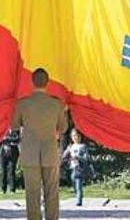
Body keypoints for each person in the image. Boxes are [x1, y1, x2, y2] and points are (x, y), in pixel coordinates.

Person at [12, 68, 68, 220]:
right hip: (50, 151)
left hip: (29, 153)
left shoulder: (22, 104)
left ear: (32, 82)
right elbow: (63, 128)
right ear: (47, 82)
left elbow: (14, 125)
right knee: (52, 191)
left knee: (32, 193)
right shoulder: (56, 104)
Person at [61, 129, 90, 207]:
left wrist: (78, 157)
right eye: (73, 136)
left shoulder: (83, 146)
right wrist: (67, 152)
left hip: (80, 168)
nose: (75, 138)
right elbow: (64, 156)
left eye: (77, 136)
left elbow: (86, 158)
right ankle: (77, 194)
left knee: (78, 183)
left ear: (80, 137)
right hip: (73, 167)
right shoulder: (71, 146)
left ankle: (79, 200)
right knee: (74, 181)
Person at [1, 128, 20, 193]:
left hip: (13, 152)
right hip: (4, 151)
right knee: (3, 171)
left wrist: (7, 139)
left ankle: (12, 189)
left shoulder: (16, 130)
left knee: (11, 170)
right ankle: (3, 188)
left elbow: (18, 139)